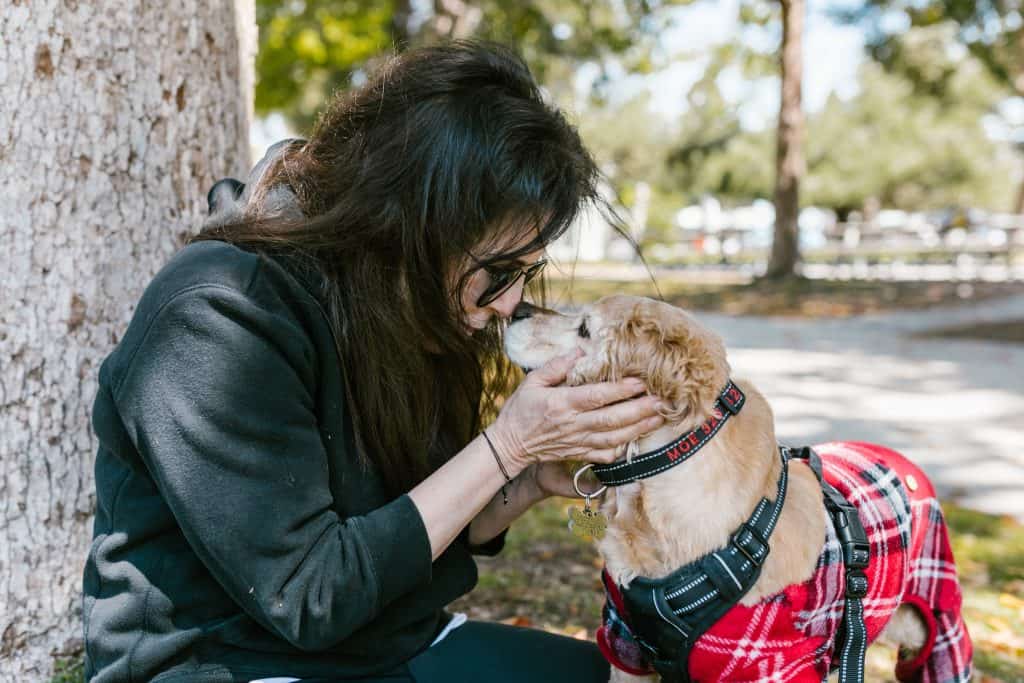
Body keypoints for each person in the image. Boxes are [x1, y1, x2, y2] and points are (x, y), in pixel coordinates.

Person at [82, 40, 665, 683]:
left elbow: (412, 531)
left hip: (385, 644)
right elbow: (309, 597)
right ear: (407, 227)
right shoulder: (217, 316)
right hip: (229, 665)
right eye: (497, 272)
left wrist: (528, 479)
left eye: (527, 272)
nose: (512, 305)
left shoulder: (406, 307)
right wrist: (508, 445)